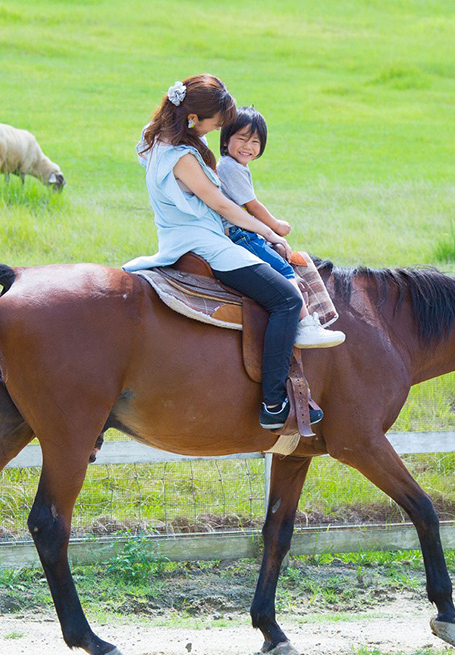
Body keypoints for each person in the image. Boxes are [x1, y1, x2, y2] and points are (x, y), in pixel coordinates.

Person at [122, 75, 321, 430]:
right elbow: (222, 206)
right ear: (193, 118)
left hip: (179, 237)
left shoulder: (151, 141)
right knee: (287, 300)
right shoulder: (182, 158)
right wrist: (269, 230)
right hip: (205, 243)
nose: (217, 131)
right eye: (216, 124)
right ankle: (274, 402)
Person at [217, 106, 344, 349]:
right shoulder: (230, 168)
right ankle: (306, 325)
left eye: (255, 141)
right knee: (284, 270)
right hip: (240, 234)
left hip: (243, 231)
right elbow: (253, 206)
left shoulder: (233, 166)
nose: (248, 146)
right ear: (226, 141)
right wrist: (275, 226)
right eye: (242, 138)